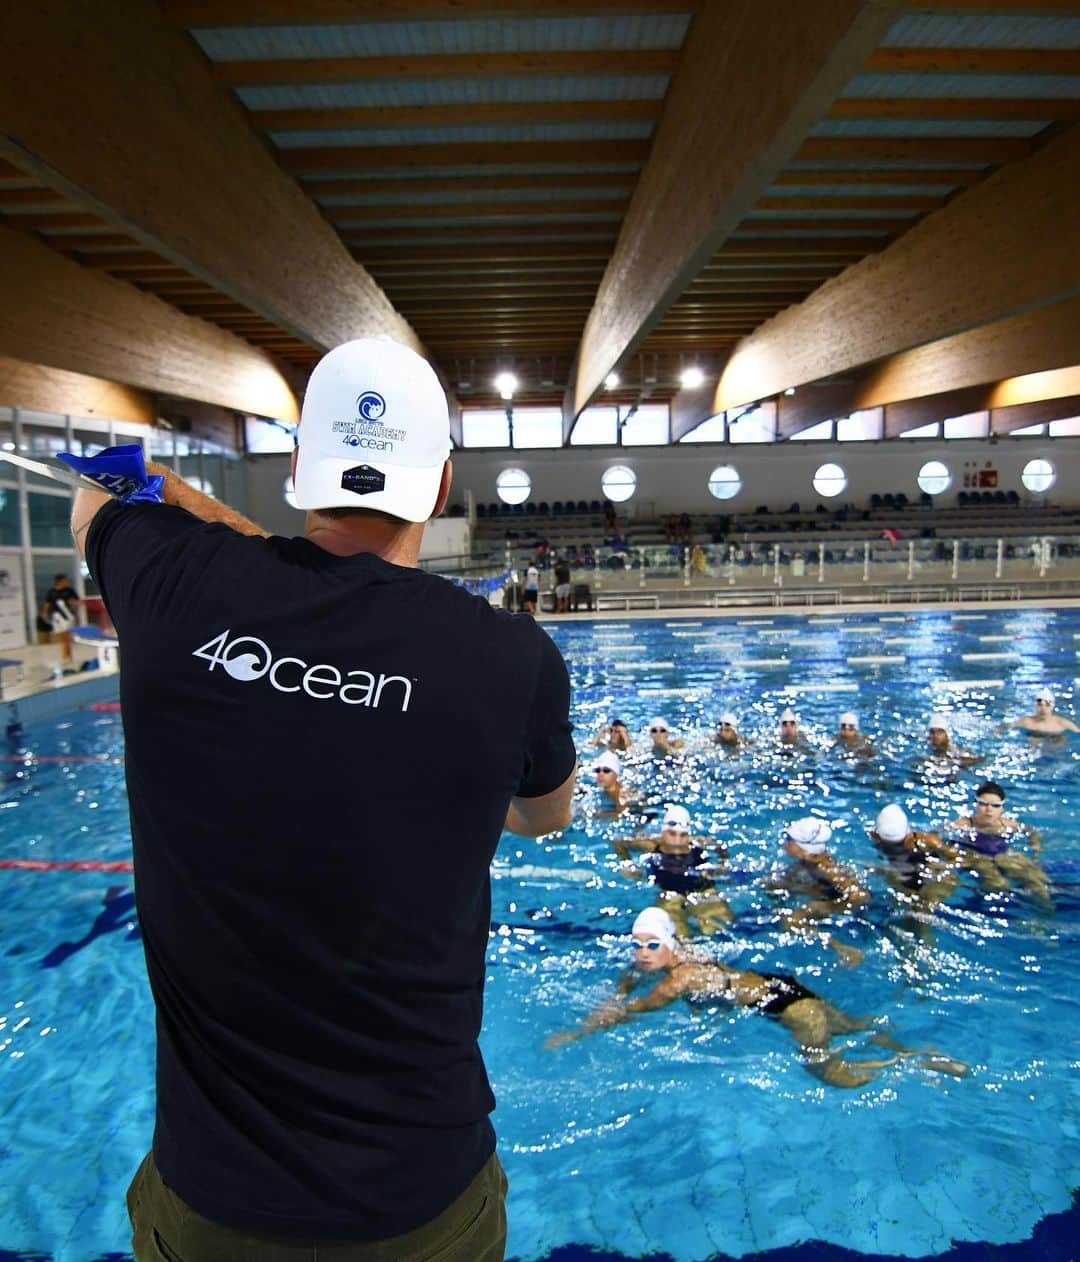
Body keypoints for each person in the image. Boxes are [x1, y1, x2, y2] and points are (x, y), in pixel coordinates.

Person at [72, 338, 577, 1262]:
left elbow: (100, 497)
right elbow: (546, 815)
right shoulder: (513, 662)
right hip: (422, 1205)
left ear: (299, 468)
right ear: (437, 487)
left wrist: (184, 509)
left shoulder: (171, 589)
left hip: (212, 1208)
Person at [544, 909, 967, 1088]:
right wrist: (627, 979)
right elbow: (635, 975)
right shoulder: (684, 953)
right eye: (636, 946)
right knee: (857, 1027)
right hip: (784, 988)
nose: (641, 954)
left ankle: (904, 1064)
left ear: (669, 944)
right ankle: (918, 1051)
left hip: (791, 1011)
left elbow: (630, 1012)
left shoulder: (679, 980)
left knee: (831, 1074)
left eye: (651, 946)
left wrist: (576, 1032)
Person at [613, 805, 732, 936]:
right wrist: (628, 864)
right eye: (672, 834)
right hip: (670, 894)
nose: (677, 840)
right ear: (663, 832)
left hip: (702, 890)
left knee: (719, 930)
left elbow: (721, 848)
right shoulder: (651, 844)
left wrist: (722, 865)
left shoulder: (698, 843)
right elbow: (618, 842)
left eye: (683, 835)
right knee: (675, 935)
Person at [768, 817, 868, 966]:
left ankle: (840, 948)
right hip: (824, 891)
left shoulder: (825, 868)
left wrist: (825, 906)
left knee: (790, 922)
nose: (785, 843)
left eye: (789, 839)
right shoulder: (808, 860)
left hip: (837, 901)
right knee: (772, 885)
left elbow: (861, 896)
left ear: (802, 847)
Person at [946, 781, 1052, 909]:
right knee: (998, 885)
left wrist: (1035, 847)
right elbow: (938, 837)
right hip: (976, 856)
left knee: (1036, 882)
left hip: (1003, 855)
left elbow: (1030, 832)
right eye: (984, 804)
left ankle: (1045, 913)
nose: (989, 809)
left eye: (995, 805)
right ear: (976, 805)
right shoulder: (964, 824)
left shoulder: (1008, 825)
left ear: (1002, 808)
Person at [1004, 688, 1080, 737]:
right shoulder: (1025, 722)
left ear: (1052, 707)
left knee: (1059, 739)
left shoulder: (1062, 723)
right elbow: (1004, 728)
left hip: (1056, 737)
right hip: (1034, 736)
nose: (1043, 709)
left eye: (1047, 705)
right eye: (1040, 705)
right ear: (1035, 706)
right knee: (1034, 739)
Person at [41, 572, 78, 670]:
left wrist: (73, 604)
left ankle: (66, 657)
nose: (67, 582)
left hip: (68, 617)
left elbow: (76, 600)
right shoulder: (51, 592)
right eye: (65, 580)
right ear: (60, 581)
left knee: (66, 638)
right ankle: (68, 656)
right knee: (63, 639)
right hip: (57, 617)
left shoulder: (69, 590)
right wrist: (44, 613)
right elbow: (47, 604)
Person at [588, 750, 635, 818]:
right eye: (598, 770)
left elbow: (623, 815)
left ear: (616, 774)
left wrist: (601, 815)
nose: (601, 774)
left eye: (606, 770)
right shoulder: (604, 789)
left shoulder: (620, 794)